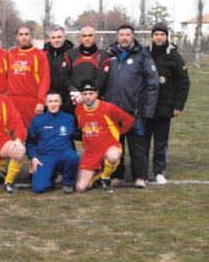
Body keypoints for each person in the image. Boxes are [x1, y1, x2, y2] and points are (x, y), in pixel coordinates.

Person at [104, 24, 159, 188]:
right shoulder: (110, 54)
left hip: (134, 111)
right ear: (117, 37)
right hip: (113, 111)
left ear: (133, 36)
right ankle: (118, 175)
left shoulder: (142, 55)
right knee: (115, 144)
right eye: (121, 34)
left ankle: (140, 176)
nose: (124, 37)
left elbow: (153, 83)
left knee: (137, 146)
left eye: (128, 34)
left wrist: (147, 110)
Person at [146, 22, 190, 184]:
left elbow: (183, 82)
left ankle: (159, 171)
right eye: (156, 34)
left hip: (164, 106)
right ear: (152, 36)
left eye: (162, 34)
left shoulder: (174, 55)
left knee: (161, 140)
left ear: (166, 36)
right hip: (146, 106)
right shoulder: (145, 53)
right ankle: (142, 171)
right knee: (143, 140)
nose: (159, 37)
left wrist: (178, 105)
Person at [75, 81, 134, 193]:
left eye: (91, 93)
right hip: (91, 153)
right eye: (85, 93)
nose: (88, 97)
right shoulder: (78, 110)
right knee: (80, 188)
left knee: (113, 156)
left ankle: (105, 177)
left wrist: (119, 133)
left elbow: (129, 120)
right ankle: (97, 174)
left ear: (97, 93)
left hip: (109, 148)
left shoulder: (108, 108)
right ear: (81, 95)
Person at [26, 91, 79, 194]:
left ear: (60, 102)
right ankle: (51, 175)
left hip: (64, 154)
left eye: (56, 101)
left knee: (73, 157)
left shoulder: (69, 118)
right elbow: (30, 142)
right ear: (45, 103)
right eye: (50, 101)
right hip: (45, 157)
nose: (53, 104)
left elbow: (77, 134)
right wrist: (34, 157)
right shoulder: (37, 121)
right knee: (39, 188)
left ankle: (68, 182)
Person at [7, 24, 50, 129]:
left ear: (31, 36)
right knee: (14, 131)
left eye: (26, 34)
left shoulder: (39, 55)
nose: (24, 37)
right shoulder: (10, 54)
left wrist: (41, 101)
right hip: (13, 100)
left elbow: (45, 79)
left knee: (32, 133)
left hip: (31, 101)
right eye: (21, 34)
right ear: (17, 37)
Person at [60, 26, 109, 108]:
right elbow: (63, 75)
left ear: (95, 37)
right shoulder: (70, 54)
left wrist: (87, 93)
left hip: (94, 102)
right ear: (80, 38)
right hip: (73, 100)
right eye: (84, 36)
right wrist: (73, 90)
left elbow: (103, 78)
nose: (87, 38)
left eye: (90, 35)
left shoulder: (104, 55)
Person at [43, 26, 74, 112]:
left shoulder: (72, 53)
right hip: (48, 99)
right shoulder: (43, 54)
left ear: (65, 38)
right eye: (53, 37)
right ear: (49, 39)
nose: (56, 40)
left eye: (59, 37)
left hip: (67, 99)